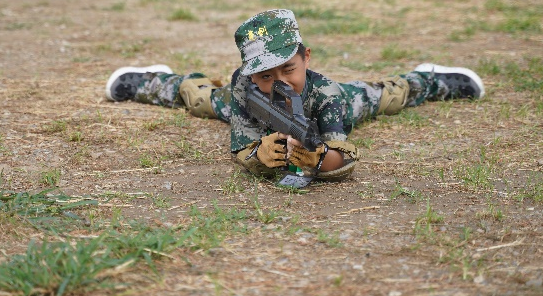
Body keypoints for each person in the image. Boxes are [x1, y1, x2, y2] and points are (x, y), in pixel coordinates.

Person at [105, 9, 485, 183]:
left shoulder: (327, 94)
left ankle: (429, 79)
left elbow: (342, 157)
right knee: (201, 98)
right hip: (252, 107)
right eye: (266, 75)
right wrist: (261, 156)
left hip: (329, 108)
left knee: (386, 96)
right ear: (251, 73)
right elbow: (242, 151)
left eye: (289, 69)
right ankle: (154, 81)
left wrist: (318, 160)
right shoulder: (245, 86)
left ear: (306, 56)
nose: (280, 81)